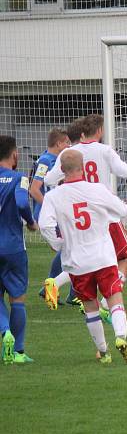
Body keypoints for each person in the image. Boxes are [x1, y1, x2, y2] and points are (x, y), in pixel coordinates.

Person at [43, 114, 127, 312]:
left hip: (81, 213)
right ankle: (99, 302)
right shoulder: (104, 150)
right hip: (105, 212)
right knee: (126, 258)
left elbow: (49, 180)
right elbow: (124, 171)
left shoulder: (69, 153)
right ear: (100, 131)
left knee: (108, 258)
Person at [39, 149, 127, 364]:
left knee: (90, 307)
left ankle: (103, 352)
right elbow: (122, 210)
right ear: (82, 167)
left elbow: (45, 224)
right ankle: (121, 338)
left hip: (77, 262)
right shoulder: (97, 189)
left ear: (62, 170)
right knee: (115, 300)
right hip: (103, 257)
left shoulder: (54, 196)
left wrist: (58, 243)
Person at [0, 135, 38, 365]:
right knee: (18, 299)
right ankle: (19, 351)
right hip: (13, 247)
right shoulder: (19, 178)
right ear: (14, 155)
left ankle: (5, 332)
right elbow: (23, 203)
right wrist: (31, 222)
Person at [29, 128, 76, 305]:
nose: (69, 146)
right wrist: (51, 208)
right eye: (66, 143)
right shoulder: (45, 161)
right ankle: (65, 291)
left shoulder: (55, 160)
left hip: (56, 214)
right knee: (73, 249)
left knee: (68, 249)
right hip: (49, 216)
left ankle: (55, 288)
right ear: (58, 144)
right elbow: (34, 189)